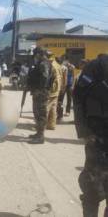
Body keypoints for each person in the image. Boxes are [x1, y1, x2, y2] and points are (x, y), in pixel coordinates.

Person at [73, 54, 108, 217]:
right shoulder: (96, 67)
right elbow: (78, 97)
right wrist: (84, 131)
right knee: (92, 187)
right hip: (98, 137)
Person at [27, 47, 52, 144]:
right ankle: (38, 133)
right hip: (39, 92)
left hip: (41, 92)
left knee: (41, 113)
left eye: (36, 54)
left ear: (39, 54)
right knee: (37, 113)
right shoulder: (41, 63)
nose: (35, 56)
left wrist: (39, 90)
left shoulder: (44, 63)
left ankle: (41, 136)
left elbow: (45, 78)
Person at [47, 53, 62, 130]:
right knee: (53, 107)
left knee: (46, 107)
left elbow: (47, 79)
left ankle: (42, 126)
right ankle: (51, 125)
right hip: (57, 89)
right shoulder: (57, 64)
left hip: (51, 89)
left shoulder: (49, 65)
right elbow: (61, 77)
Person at [56, 56, 68, 122]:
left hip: (57, 88)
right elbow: (65, 78)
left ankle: (59, 116)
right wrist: (64, 87)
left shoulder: (56, 67)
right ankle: (59, 116)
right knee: (60, 102)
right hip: (61, 87)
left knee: (57, 102)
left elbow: (65, 78)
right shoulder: (64, 68)